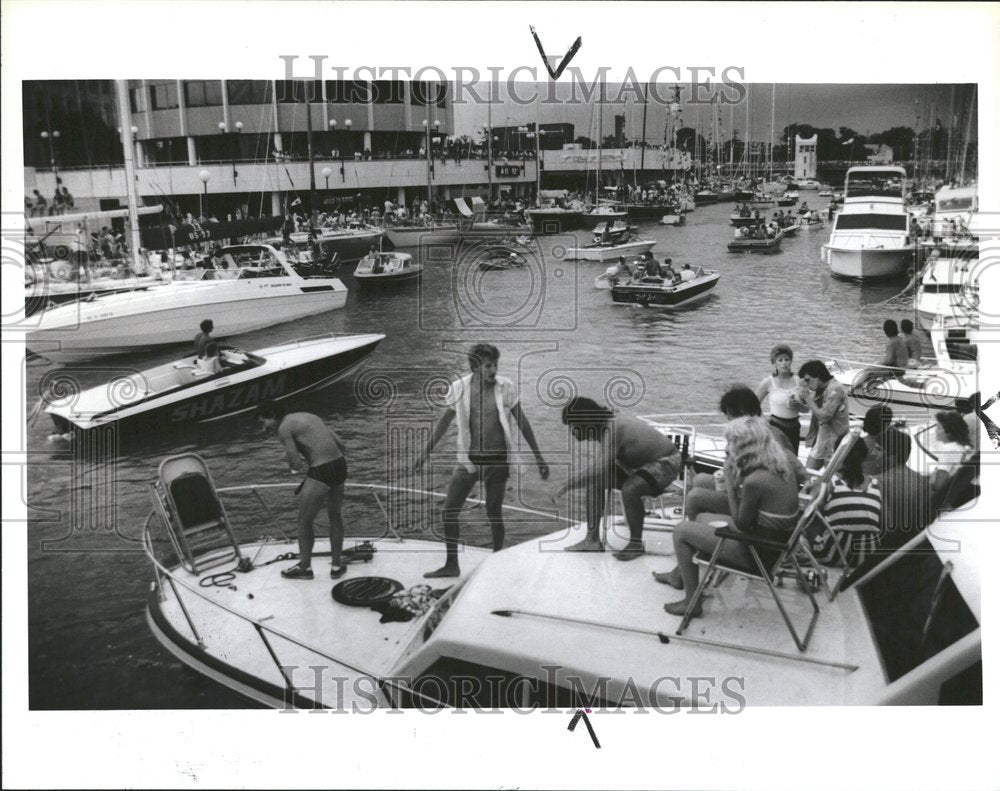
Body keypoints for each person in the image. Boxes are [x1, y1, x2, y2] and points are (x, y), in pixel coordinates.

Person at [414, 344, 549, 578]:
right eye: (488, 365)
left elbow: (522, 422)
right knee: (449, 511)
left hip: (497, 459)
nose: (493, 370)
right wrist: (425, 452)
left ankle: (497, 559)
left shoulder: (506, 387)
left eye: (495, 364)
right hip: (469, 459)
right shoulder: (459, 388)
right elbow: (444, 422)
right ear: (475, 367)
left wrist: (538, 457)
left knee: (494, 511)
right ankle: (451, 565)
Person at [659, 417, 801, 616]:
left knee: (681, 531)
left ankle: (692, 603)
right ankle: (680, 575)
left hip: (756, 555)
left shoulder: (756, 481)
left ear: (747, 446)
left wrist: (731, 484)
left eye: (732, 442)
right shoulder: (779, 464)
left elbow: (742, 524)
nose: (728, 448)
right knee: (701, 518)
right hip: (773, 545)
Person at [554, 396, 681, 560]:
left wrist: (566, 485)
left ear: (585, 421)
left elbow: (600, 467)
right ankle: (591, 540)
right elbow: (599, 469)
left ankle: (635, 544)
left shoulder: (613, 428)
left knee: (630, 488)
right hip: (640, 466)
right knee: (594, 482)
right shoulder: (604, 426)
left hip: (667, 461)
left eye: (574, 425)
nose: (572, 431)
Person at [258, 401, 349, 579]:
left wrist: (287, 460)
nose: (264, 429)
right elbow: (341, 445)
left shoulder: (284, 428)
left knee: (304, 522)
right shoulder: (310, 416)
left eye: (263, 423)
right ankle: (337, 567)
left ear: (272, 416)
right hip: (340, 465)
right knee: (335, 515)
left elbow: (297, 466)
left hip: (321, 471)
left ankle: (305, 568)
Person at [807, 440, 882, 567]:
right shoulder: (875, 484)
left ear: (838, 454)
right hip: (867, 557)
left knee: (813, 514)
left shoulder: (831, 482)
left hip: (832, 554)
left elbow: (808, 512)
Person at [875, 428, 934, 555]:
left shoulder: (877, 482)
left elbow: (882, 526)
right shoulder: (923, 482)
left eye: (879, 449)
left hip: (885, 551)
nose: (874, 454)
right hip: (914, 549)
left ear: (893, 456)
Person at [794, 360, 850, 471]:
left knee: (831, 479)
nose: (807, 383)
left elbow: (824, 416)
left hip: (835, 443)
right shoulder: (821, 389)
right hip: (821, 441)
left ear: (817, 376)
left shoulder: (836, 389)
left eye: (808, 379)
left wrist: (808, 399)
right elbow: (808, 404)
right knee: (808, 476)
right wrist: (800, 393)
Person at [755, 344, 802, 450]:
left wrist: (798, 405)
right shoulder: (767, 382)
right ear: (774, 363)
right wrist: (765, 424)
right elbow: (753, 405)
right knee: (777, 461)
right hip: (776, 426)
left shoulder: (798, 381)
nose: (784, 363)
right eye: (780, 360)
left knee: (792, 461)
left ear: (791, 361)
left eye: (787, 359)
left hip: (794, 427)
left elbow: (806, 408)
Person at [928, 410, 973, 501]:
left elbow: (939, 485)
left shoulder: (948, 449)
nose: (935, 431)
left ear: (948, 432)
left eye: (938, 427)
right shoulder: (963, 446)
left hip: (950, 499)